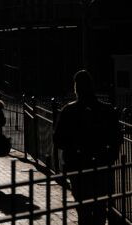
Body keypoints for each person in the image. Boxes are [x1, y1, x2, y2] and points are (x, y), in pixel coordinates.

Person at [53, 70, 122, 225]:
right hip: (101, 163)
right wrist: (110, 155)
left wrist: (73, 149)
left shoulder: (68, 111)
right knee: (100, 206)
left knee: (83, 207)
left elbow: (58, 139)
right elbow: (117, 137)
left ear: (76, 88)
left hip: (78, 165)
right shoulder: (106, 110)